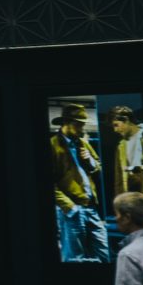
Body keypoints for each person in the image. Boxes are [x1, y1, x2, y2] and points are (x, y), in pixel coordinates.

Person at [49, 104, 106, 263]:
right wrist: (70, 207)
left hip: (91, 206)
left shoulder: (83, 143)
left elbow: (98, 167)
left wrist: (89, 161)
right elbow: (49, 183)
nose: (82, 128)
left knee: (103, 252)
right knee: (74, 258)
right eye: (78, 124)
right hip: (72, 209)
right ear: (66, 123)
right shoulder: (53, 145)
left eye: (83, 124)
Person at [111, 107, 143, 196]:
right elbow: (119, 178)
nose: (115, 130)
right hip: (131, 193)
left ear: (126, 120)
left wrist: (142, 168)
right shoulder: (121, 146)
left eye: (116, 125)